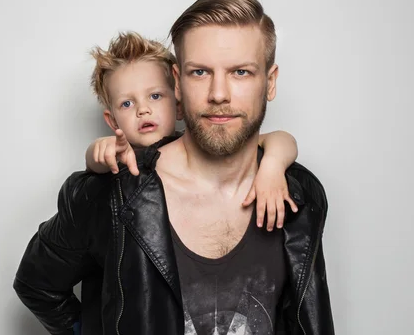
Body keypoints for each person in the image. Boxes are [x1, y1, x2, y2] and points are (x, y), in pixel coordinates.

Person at [14, 0, 336, 335]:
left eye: (241, 72)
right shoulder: (113, 192)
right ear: (177, 81)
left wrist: (276, 163)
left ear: (271, 81)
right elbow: (36, 285)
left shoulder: (300, 196)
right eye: (200, 72)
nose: (219, 94)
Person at [84, 31, 299, 230]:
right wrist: (100, 150)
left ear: (179, 104)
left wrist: (272, 167)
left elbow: (282, 139)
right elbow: (94, 170)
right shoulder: (120, 159)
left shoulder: (196, 147)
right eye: (127, 104)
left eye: (155, 96)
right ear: (113, 122)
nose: (143, 110)